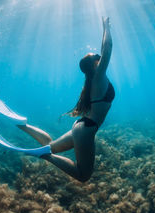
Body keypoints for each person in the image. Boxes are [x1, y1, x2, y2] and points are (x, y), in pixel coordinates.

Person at [17, 17, 114, 182]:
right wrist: (106, 26)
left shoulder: (93, 80)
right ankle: (45, 156)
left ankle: (21, 124)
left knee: (50, 145)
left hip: (81, 126)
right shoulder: (98, 78)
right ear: (95, 64)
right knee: (83, 175)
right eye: (97, 56)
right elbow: (107, 48)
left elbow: (104, 51)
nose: (99, 55)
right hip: (86, 130)